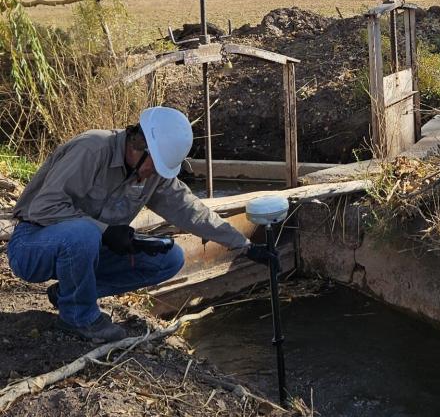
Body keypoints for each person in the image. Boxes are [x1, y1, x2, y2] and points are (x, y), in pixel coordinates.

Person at [7, 107, 274, 344]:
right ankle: (79, 318)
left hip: (87, 248)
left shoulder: (152, 173)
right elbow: (43, 207)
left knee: (169, 259)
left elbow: (189, 210)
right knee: (84, 233)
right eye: (156, 166)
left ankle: (70, 295)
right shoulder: (92, 149)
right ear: (139, 144)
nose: (155, 175)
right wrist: (106, 232)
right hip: (33, 245)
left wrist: (244, 245)